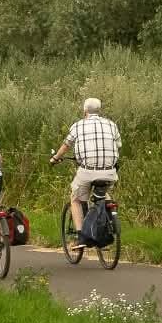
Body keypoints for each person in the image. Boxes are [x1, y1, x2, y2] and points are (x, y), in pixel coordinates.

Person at [49, 97, 121, 241]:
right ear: (99, 110)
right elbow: (118, 145)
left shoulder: (78, 126)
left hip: (88, 171)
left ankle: (82, 235)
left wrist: (55, 158)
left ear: (85, 111)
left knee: (75, 199)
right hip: (110, 171)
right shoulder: (112, 125)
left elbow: (66, 146)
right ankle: (109, 213)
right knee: (103, 192)